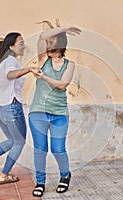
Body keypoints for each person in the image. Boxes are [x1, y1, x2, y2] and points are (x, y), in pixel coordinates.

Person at [0, 32, 38, 185]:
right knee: (19, 142)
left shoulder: (4, 61)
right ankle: (4, 175)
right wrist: (29, 69)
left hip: (0, 110)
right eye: (21, 43)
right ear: (11, 47)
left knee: (12, 140)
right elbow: (10, 75)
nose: (24, 46)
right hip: (11, 108)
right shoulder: (10, 62)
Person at [28, 20, 81, 197]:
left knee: (58, 149)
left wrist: (43, 77)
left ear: (61, 45)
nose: (48, 45)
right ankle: (40, 182)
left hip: (59, 114)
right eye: (49, 43)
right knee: (40, 149)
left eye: (53, 42)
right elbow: (42, 36)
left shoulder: (70, 64)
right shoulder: (43, 59)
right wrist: (65, 28)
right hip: (38, 113)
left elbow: (62, 85)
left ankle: (65, 175)